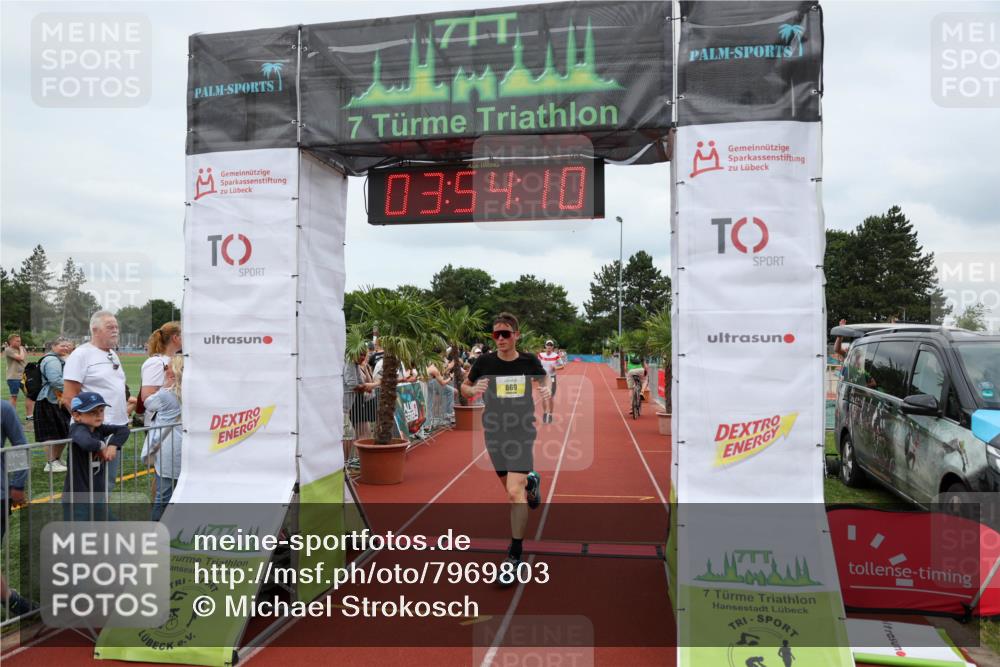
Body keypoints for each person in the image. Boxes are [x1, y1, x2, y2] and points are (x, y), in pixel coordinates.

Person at [463, 313, 550, 586]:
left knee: (514, 494)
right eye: (496, 334)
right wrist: (473, 388)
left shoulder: (528, 361)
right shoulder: (484, 362)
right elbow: (465, 387)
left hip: (522, 430)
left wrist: (546, 391)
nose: (500, 339)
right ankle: (531, 480)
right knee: (510, 488)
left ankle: (514, 555)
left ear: (516, 335)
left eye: (505, 334)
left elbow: (544, 380)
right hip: (494, 433)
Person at [63, 311, 129, 491]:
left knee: (106, 485)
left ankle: (101, 518)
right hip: (92, 434)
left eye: (116, 326)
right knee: (87, 488)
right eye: (110, 327)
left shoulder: (112, 354)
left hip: (113, 432)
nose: (115, 330)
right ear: (95, 330)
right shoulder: (81, 354)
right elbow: (69, 397)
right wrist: (89, 431)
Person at [63, 391, 129, 520]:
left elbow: (123, 430)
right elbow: (86, 442)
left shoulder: (99, 428)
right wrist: (102, 446)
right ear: (76, 415)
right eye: (92, 412)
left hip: (96, 493)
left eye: (101, 411)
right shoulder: (77, 428)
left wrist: (113, 445)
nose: (98, 416)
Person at [1, 402, 34, 616]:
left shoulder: (3, 409)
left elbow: (20, 445)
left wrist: (18, 484)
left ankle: (13, 601)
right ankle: (13, 601)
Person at [142, 356, 183, 521]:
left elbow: (149, 403)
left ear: (174, 372)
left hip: (169, 448)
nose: (165, 370)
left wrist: (164, 386)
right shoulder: (193, 392)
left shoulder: (167, 394)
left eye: (167, 367)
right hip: (184, 447)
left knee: (163, 497)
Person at [35, 337, 73, 472]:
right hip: (49, 400)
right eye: (62, 345)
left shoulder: (60, 359)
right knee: (51, 433)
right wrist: (74, 389)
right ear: (54, 346)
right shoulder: (51, 360)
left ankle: (56, 459)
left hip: (58, 400)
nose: (66, 348)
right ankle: (50, 462)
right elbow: (55, 381)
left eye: (68, 345)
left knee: (63, 431)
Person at [139, 322, 182, 427]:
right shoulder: (156, 362)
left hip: (173, 421)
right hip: (159, 423)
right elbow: (147, 397)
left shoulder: (175, 359)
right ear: (175, 338)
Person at [4, 334, 32, 420]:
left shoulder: (22, 348)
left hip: (24, 376)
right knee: (14, 396)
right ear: (11, 341)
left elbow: (25, 361)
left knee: (30, 395)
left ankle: (29, 415)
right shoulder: (8, 350)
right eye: (17, 341)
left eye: (20, 340)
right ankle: (11, 416)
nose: (20, 342)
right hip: (13, 377)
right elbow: (20, 358)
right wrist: (21, 348)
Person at [538, 340, 560, 424]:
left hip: (552, 378)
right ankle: (545, 413)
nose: (549, 347)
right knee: (544, 397)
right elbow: (538, 365)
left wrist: (555, 368)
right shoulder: (540, 355)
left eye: (551, 345)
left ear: (553, 347)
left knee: (550, 397)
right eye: (548, 345)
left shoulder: (556, 356)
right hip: (543, 378)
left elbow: (562, 366)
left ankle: (550, 414)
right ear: (545, 346)